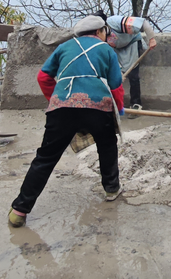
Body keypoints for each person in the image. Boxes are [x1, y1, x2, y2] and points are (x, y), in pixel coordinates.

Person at [8, 15, 125, 228]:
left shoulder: (63, 47)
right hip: (97, 107)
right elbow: (116, 85)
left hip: (60, 108)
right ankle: (111, 189)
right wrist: (120, 108)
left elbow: (43, 77)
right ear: (100, 32)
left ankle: (19, 210)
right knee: (107, 146)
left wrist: (57, 99)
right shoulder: (106, 49)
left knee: (45, 157)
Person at [103, 13, 157, 115]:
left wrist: (151, 38)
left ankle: (136, 105)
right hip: (115, 50)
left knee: (133, 75)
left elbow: (143, 22)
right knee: (112, 76)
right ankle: (112, 105)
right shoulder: (97, 36)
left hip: (132, 43)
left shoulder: (116, 22)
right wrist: (118, 71)